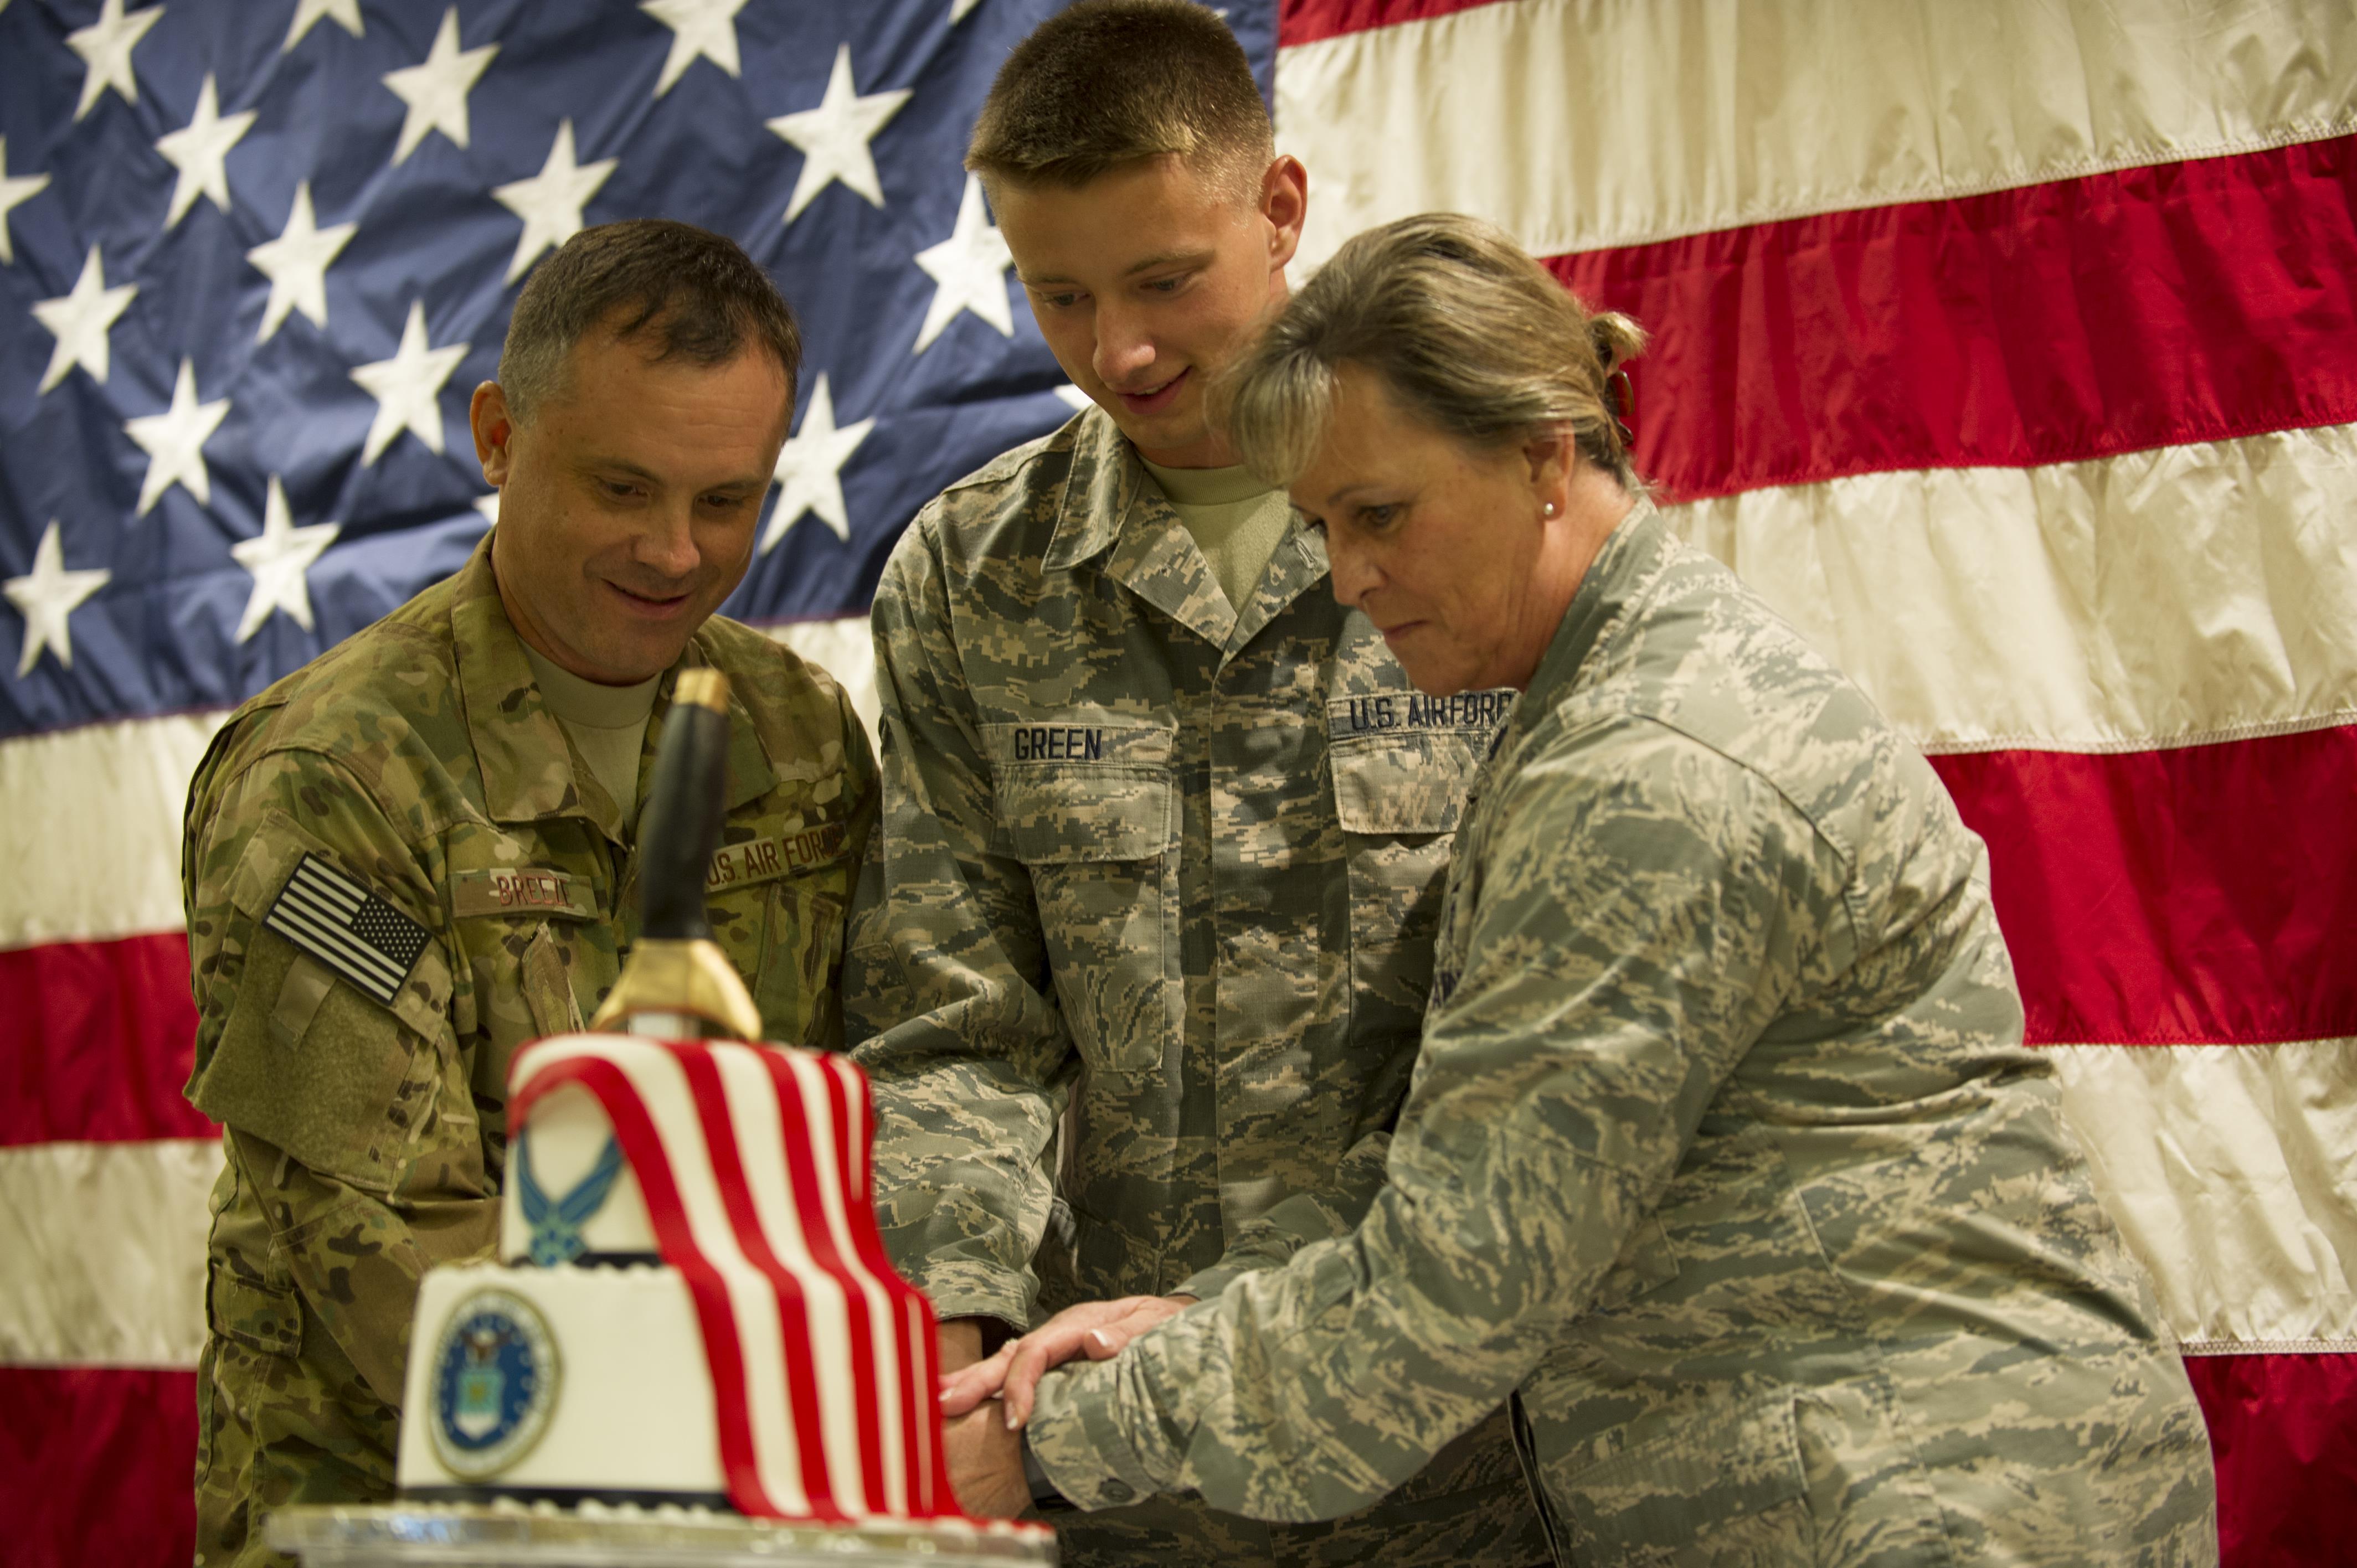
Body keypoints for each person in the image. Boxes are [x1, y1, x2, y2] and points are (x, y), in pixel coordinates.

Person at [939, 212, 2221, 1564]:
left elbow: (1440, 1311)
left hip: (1917, 1508)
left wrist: (1039, 1445)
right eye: (1324, 527)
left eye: (1380, 514)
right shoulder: (1596, 701)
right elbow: (1465, 1161)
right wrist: (1203, 1311)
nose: (1352, 580)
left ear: (1545, 454)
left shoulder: (1645, 773)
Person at [842, 3, 1546, 1562]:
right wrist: (955, 1339)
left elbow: (1552, 1035)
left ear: (1281, 207)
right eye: (1062, 296)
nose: (1124, 351)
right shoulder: (976, 579)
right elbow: (952, 1024)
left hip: (1471, 1451)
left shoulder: (1472, 512)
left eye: (1167, 280)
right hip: (1121, 1464)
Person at [182, 220, 876, 1566]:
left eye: (725, 501)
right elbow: (392, 1248)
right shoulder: (336, 777)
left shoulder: (795, 737)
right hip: (403, 1506)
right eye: (622, 487)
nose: (674, 552)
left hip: (740, 1496)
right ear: (499, 434)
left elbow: (832, 1139)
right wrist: (735, 1456)